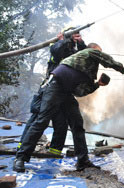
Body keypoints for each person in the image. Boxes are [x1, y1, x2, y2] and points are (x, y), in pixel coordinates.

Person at [13, 43, 124, 172]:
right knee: (42, 120)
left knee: (77, 124)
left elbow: (80, 92)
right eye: (99, 52)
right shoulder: (88, 52)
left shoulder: (87, 69)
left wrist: (98, 84)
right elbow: (107, 60)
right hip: (55, 86)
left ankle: (82, 161)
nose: (99, 55)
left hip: (66, 93)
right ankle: (20, 158)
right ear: (93, 49)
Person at [18, 28, 86, 158]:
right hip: (50, 89)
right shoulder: (57, 47)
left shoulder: (73, 53)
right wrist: (62, 40)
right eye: (72, 36)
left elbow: (83, 59)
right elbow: (56, 52)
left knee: (61, 124)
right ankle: (22, 149)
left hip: (65, 92)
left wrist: (81, 43)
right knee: (38, 119)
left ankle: (55, 152)